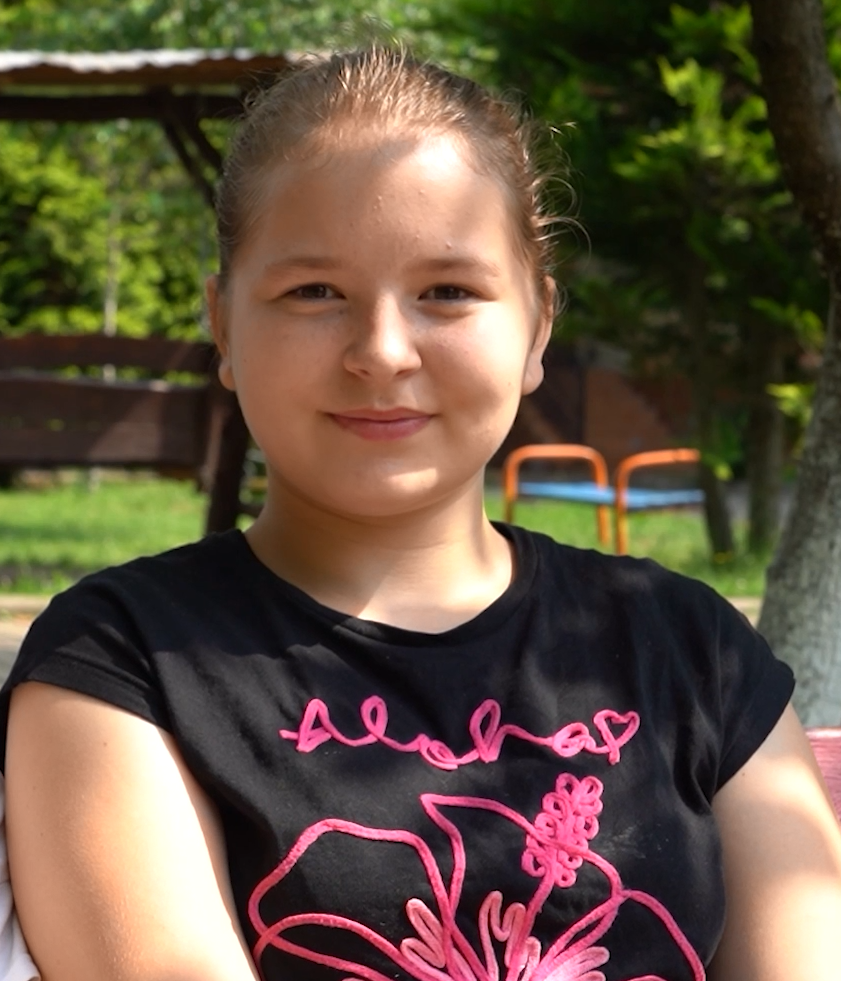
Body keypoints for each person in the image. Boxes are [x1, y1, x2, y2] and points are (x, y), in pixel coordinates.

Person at [2, 46, 841, 981]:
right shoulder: (122, 664)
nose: (382, 350)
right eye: (314, 292)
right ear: (223, 325)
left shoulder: (694, 651)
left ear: (537, 325)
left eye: (447, 292)